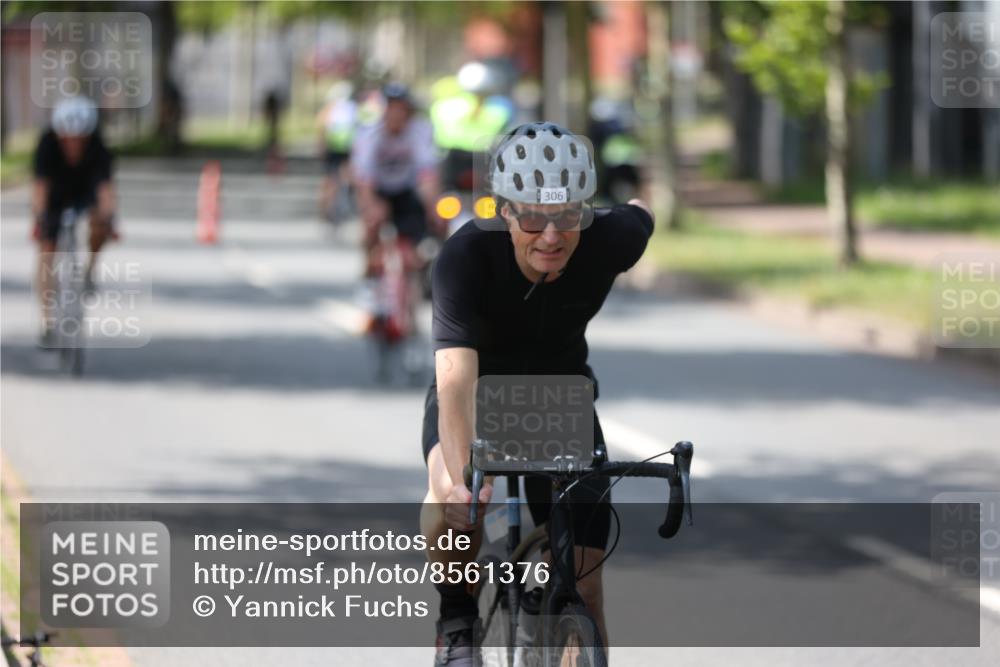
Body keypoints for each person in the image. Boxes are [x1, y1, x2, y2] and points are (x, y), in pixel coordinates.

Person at [419, 121, 655, 666]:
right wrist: (462, 485)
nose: (551, 236)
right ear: (504, 212)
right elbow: (455, 381)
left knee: (586, 586)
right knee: (451, 497)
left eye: (568, 216)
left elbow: (642, 211)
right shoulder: (466, 259)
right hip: (477, 392)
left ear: (586, 211)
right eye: (532, 217)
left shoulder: (611, 239)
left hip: (561, 399)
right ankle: (456, 615)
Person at [31, 96, 117, 346]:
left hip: (85, 192)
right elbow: (40, 188)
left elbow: (105, 189)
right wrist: (40, 217)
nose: (74, 144)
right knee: (46, 251)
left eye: (80, 139)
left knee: (100, 224)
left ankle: (90, 270)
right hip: (55, 194)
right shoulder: (47, 144)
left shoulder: (98, 147)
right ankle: (47, 321)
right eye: (68, 139)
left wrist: (107, 217)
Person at [351, 83, 442, 278]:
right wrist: (371, 205)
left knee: (434, 218)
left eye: (401, 109)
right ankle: (369, 264)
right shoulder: (369, 134)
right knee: (373, 219)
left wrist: (433, 206)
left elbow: (427, 173)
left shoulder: (420, 131)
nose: (396, 115)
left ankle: (428, 266)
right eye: (391, 109)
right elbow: (363, 177)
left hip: (406, 189)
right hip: (378, 188)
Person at [316, 81, 357, 222]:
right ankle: (340, 204)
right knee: (343, 176)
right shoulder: (352, 107)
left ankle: (327, 207)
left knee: (331, 179)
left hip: (334, 147)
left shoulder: (331, 108)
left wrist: (321, 146)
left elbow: (322, 127)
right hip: (346, 147)